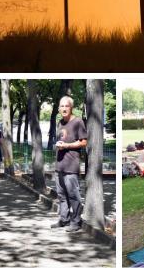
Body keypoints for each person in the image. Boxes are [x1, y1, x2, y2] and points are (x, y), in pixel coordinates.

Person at [51, 96, 88, 232]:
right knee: (61, 195)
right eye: (62, 106)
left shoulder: (78, 121)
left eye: (66, 106)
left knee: (73, 195)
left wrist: (67, 145)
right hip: (59, 164)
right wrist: (60, 145)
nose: (64, 108)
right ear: (59, 108)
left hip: (71, 165)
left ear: (71, 107)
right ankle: (64, 219)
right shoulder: (60, 122)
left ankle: (76, 222)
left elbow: (84, 142)